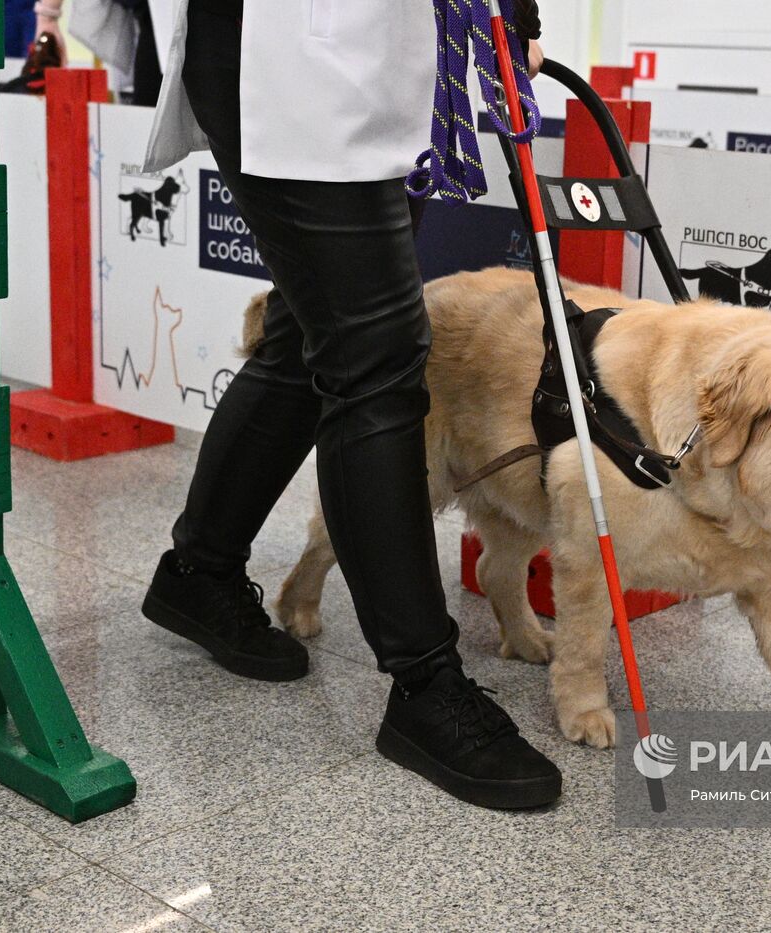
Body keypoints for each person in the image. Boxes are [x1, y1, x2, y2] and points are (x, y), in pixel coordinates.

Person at [138, 0, 560, 811]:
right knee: (378, 364)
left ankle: (199, 570)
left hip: (379, 63)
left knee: (307, 340)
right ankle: (425, 684)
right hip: (292, 64)